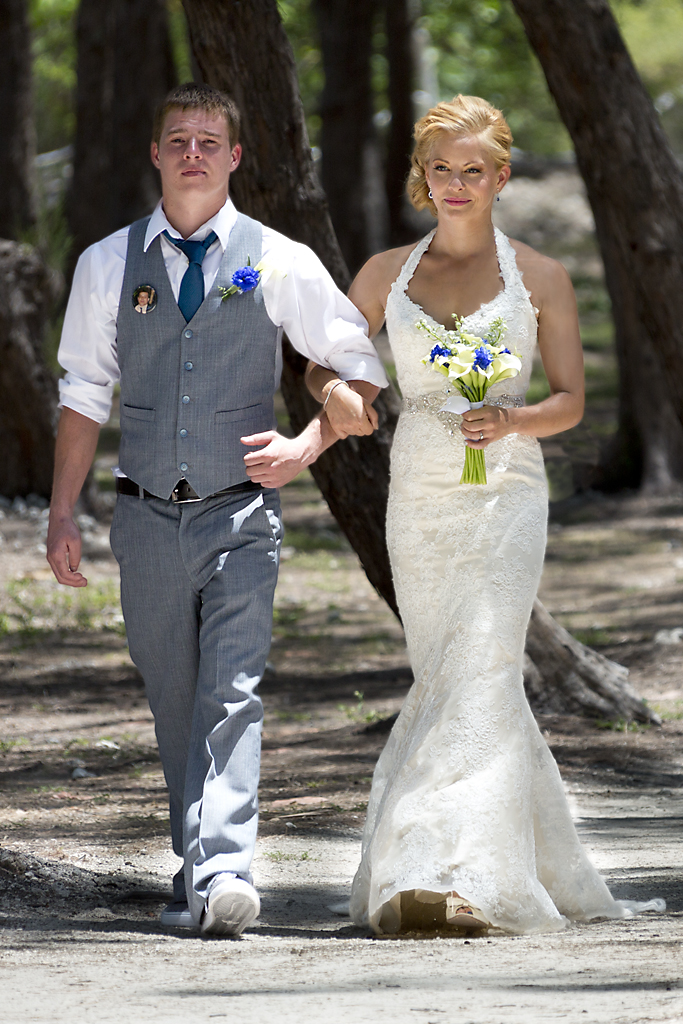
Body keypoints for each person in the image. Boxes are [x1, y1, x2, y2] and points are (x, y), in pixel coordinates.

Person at [308, 95, 665, 934]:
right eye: (442, 169)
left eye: (474, 170)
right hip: (419, 491)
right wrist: (332, 400)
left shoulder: (539, 276)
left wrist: (513, 419)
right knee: (444, 671)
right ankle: (489, 861)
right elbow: (326, 366)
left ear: (500, 176)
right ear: (421, 178)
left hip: (506, 490)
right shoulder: (381, 275)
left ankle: (447, 872)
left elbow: (571, 400)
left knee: (485, 663)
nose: (457, 183)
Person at [47, 83, 387, 936]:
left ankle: (225, 867)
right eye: (177, 139)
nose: (193, 152)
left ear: (235, 157)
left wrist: (304, 447)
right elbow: (84, 394)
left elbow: (357, 367)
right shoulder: (104, 263)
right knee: (175, 697)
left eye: (209, 140)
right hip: (143, 516)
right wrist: (62, 513)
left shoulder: (278, 257)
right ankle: (196, 868)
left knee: (230, 694)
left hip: (241, 517)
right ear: (156, 156)